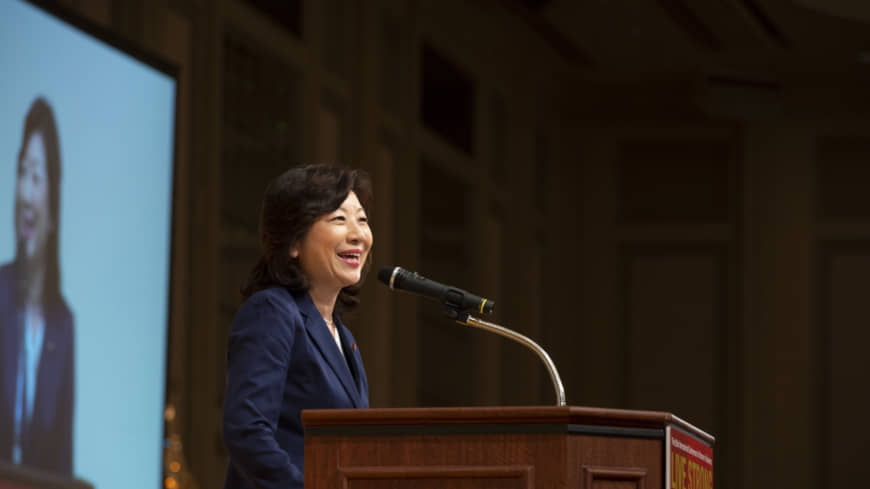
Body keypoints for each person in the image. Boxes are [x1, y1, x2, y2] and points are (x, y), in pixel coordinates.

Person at [222, 165, 373, 489]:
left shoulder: (343, 337)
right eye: (338, 219)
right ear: (293, 242)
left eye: (361, 219)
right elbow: (247, 432)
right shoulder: (272, 311)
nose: (358, 234)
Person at [0, 97, 75, 475]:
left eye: (37, 176)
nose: (25, 193)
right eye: (21, 172)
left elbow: (61, 462)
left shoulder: (63, 323)